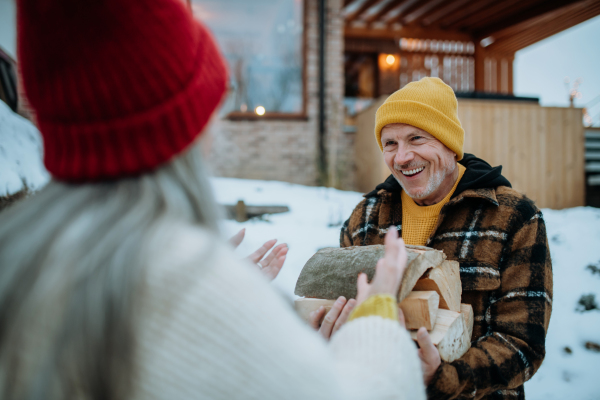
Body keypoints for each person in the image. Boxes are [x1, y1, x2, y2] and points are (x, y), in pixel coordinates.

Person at [0, 0, 426, 399]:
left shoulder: (20, 258)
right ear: (182, 127)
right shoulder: (186, 284)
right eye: (211, 108)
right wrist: (378, 317)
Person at [339, 77, 553, 400]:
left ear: (450, 145)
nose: (402, 157)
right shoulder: (364, 218)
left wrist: (445, 376)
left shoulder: (513, 217)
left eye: (416, 138)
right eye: (390, 143)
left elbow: (523, 344)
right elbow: (347, 315)